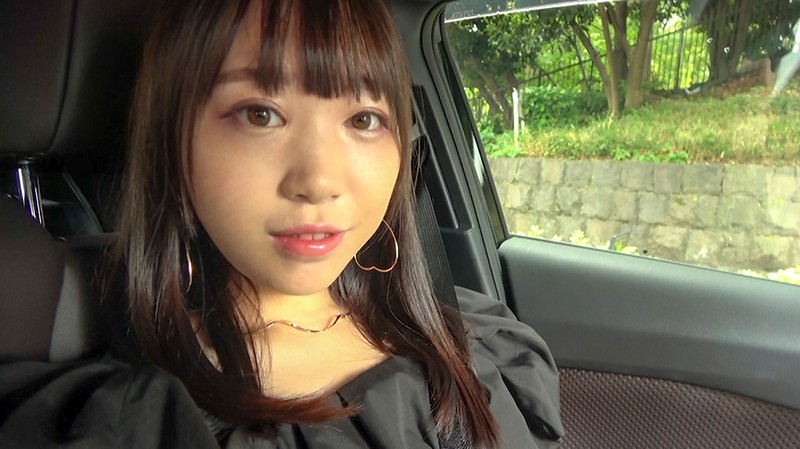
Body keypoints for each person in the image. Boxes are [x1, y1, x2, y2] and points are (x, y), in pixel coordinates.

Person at [0, 1, 563, 447]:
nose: (318, 181)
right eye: (260, 114)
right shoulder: (135, 422)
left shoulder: (474, 342)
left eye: (364, 119)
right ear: (174, 146)